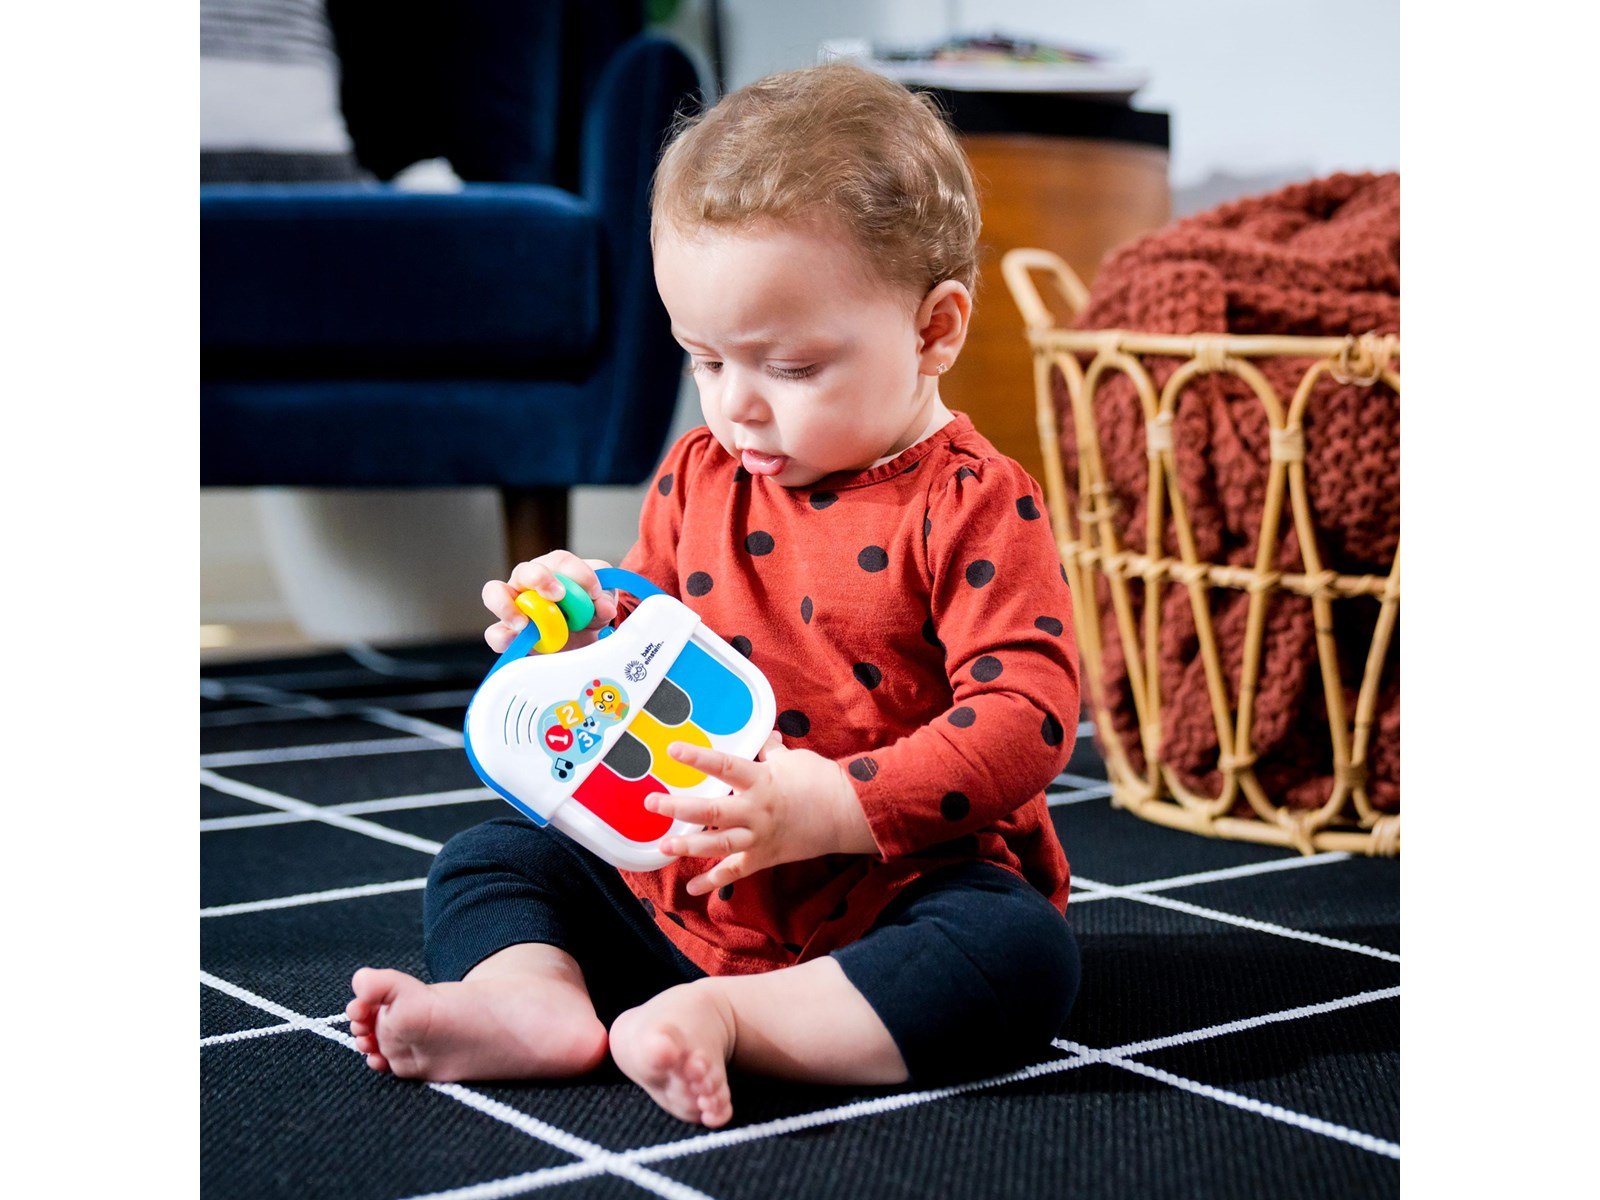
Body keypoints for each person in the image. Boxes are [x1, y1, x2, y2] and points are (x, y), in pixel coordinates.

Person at [347, 61, 1082, 1128]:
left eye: (786, 367)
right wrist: (585, 610)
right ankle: (529, 1001)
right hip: (680, 876)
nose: (737, 407)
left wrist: (832, 807)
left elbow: (1029, 715)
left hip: (889, 896)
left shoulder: (973, 504)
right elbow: (651, 623)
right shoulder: (701, 470)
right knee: (488, 857)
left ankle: (737, 1020)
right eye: (704, 358)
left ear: (934, 331)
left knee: (1021, 957)